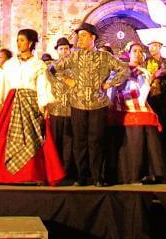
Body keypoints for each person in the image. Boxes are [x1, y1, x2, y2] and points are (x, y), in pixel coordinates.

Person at [0, 29, 64, 185]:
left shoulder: (38, 65)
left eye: (22, 40)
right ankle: (3, 174)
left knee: (32, 139)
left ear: (30, 43)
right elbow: (3, 85)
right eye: (18, 40)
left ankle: (31, 174)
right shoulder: (10, 64)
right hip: (12, 104)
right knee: (4, 138)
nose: (19, 43)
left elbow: (42, 86)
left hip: (30, 103)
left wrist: (44, 105)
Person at [52, 22, 129, 187]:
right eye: (79, 36)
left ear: (93, 38)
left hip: (98, 105)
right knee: (79, 141)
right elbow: (52, 69)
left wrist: (109, 84)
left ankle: (97, 176)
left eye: (83, 36)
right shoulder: (73, 56)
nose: (80, 39)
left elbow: (125, 70)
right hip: (77, 103)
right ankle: (82, 176)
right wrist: (67, 80)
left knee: (96, 140)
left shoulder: (104, 57)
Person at [110, 43, 164, 184]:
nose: (138, 54)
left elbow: (143, 97)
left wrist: (149, 82)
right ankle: (130, 174)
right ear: (129, 53)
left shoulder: (144, 72)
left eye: (140, 51)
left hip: (140, 104)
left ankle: (153, 173)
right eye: (135, 51)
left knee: (149, 127)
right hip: (123, 105)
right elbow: (113, 89)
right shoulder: (120, 69)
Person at [44, 40, 74, 180]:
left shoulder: (75, 67)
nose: (64, 51)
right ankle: (54, 170)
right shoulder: (50, 67)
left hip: (71, 110)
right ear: (57, 50)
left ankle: (67, 171)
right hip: (54, 109)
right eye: (61, 49)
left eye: (66, 48)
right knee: (55, 141)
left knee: (69, 142)